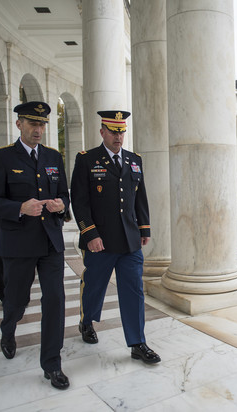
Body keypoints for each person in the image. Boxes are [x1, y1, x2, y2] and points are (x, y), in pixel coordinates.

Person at [0, 101, 70, 390]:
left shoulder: (54, 157)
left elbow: (64, 197)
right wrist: (20, 207)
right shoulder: (2, 158)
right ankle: (8, 329)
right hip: (18, 243)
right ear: (19, 124)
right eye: (33, 123)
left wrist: (60, 205)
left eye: (42, 124)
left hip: (50, 241)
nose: (38, 129)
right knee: (17, 301)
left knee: (55, 301)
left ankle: (52, 364)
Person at [70, 110, 161, 364]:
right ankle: (86, 322)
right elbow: (79, 201)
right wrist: (90, 234)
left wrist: (144, 229)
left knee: (133, 291)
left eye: (121, 131)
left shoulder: (134, 160)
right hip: (100, 241)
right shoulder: (87, 159)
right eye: (113, 131)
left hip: (130, 240)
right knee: (95, 286)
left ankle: (137, 342)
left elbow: (139, 197)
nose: (118, 136)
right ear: (102, 132)